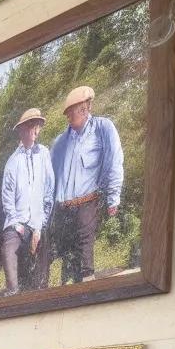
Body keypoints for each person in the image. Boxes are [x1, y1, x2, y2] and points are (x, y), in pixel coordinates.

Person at [50, 85, 124, 283]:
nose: (68, 116)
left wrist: (113, 197)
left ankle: (87, 287)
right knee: (67, 261)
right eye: (67, 113)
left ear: (84, 109)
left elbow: (114, 161)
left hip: (87, 203)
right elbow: (50, 179)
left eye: (71, 112)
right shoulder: (59, 143)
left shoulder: (103, 128)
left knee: (85, 258)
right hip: (63, 209)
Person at [0, 108, 54, 295]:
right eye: (32, 126)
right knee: (9, 247)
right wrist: (16, 224)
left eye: (38, 126)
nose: (36, 131)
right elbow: (7, 197)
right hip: (18, 222)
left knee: (43, 245)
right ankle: (12, 291)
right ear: (21, 130)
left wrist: (40, 226)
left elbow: (49, 191)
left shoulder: (44, 154)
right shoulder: (12, 162)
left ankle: (41, 290)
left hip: (38, 222)